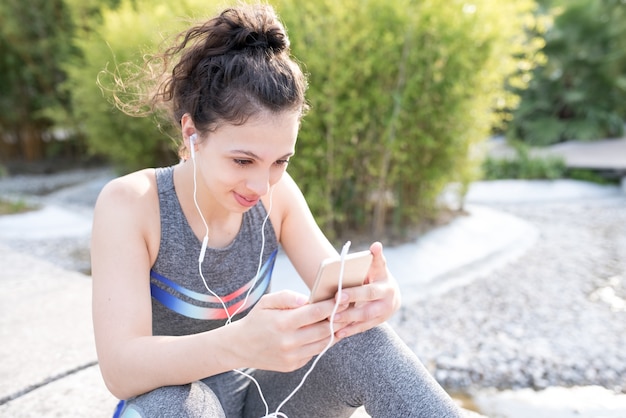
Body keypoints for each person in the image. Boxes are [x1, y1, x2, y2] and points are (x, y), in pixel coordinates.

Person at [91, 3, 465, 417]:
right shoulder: (132, 204)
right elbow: (120, 369)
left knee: (365, 341)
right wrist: (240, 343)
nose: (261, 184)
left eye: (280, 161)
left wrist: (379, 299)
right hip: (177, 406)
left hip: (261, 398)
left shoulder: (278, 194)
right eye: (242, 161)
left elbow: (338, 293)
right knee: (178, 406)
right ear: (192, 133)